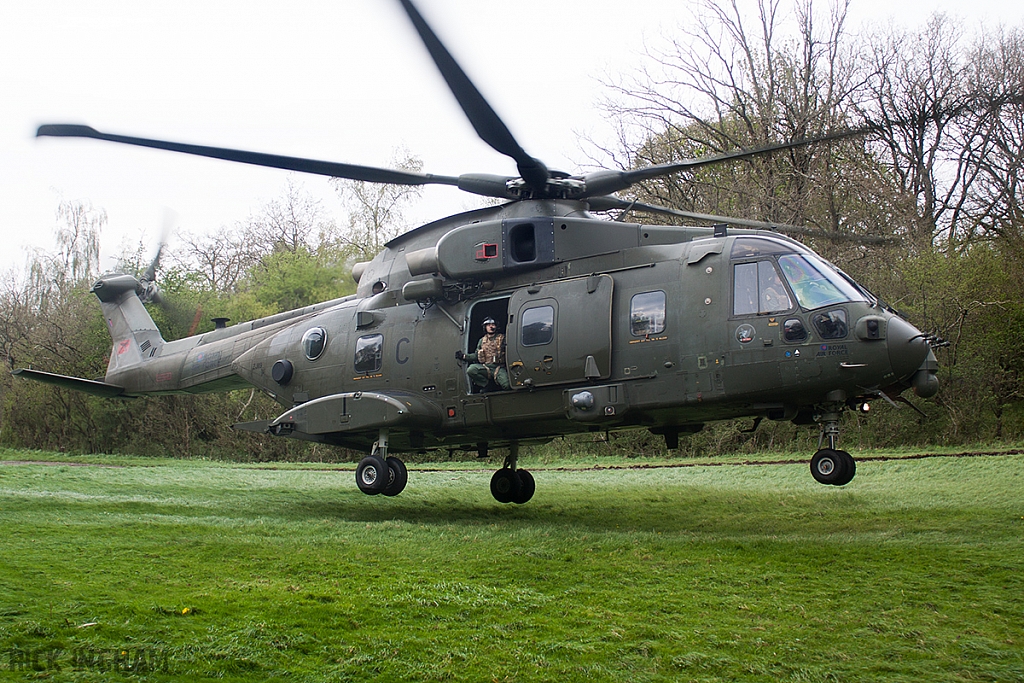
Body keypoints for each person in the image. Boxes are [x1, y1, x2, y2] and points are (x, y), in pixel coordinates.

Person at [456, 317, 510, 392]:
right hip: (486, 367)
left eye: (493, 324)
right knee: (471, 370)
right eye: (489, 325)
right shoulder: (482, 341)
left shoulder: (502, 338)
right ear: (485, 327)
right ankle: (487, 385)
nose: (491, 326)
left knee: (507, 385)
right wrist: (464, 356)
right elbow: (476, 355)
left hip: (499, 367)